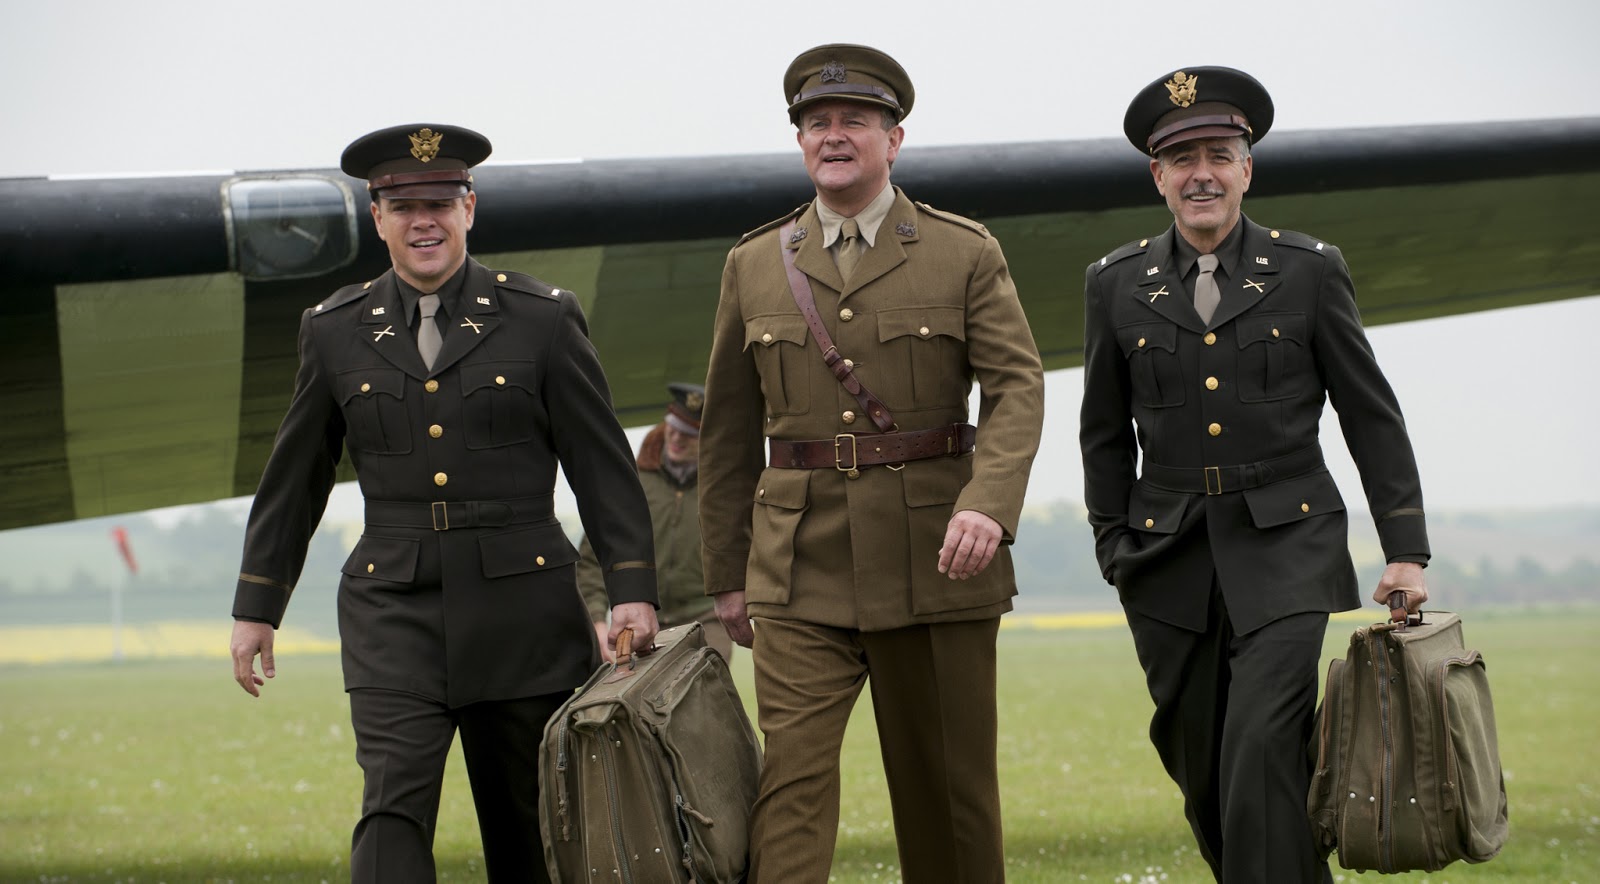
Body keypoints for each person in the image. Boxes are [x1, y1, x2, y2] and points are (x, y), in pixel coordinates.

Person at [226, 123, 659, 883]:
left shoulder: (541, 318)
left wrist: (631, 590)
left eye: (439, 202)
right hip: (393, 611)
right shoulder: (332, 331)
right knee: (390, 807)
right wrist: (257, 603)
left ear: (470, 208)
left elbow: (601, 466)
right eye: (402, 205)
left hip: (523, 614)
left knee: (530, 826)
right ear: (376, 218)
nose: (422, 220)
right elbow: (295, 476)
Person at [699, 44, 1045, 884]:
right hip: (798, 561)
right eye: (817, 123)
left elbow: (1016, 387)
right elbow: (728, 431)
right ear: (801, 143)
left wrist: (988, 506)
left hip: (936, 556)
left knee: (947, 797)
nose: (835, 135)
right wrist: (727, 573)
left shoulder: (963, 252)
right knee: (791, 785)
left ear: (896, 139)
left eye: (856, 120)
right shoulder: (754, 262)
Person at [1078, 67, 1431, 883]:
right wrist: (1111, 546)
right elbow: (1102, 430)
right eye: (1182, 158)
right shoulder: (1116, 283)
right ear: (1157, 175)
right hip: (1164, 559)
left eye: (1219, 153)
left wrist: (1404, 548)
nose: (1202, 172)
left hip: (1287, 546)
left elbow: (1371, 415)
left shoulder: (1308, 270)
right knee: (1201, 768)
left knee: (1262, 748)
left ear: (1247, 167)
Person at [577, 382, 732, 660]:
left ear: (708, 438)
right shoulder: (632, 482)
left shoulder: (725, 490)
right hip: (641, 617)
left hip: (706, 619)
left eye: (689, 433)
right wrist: (596, 620)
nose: (677, 438)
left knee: (705, 696)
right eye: (673, 426)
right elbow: (592, 559)